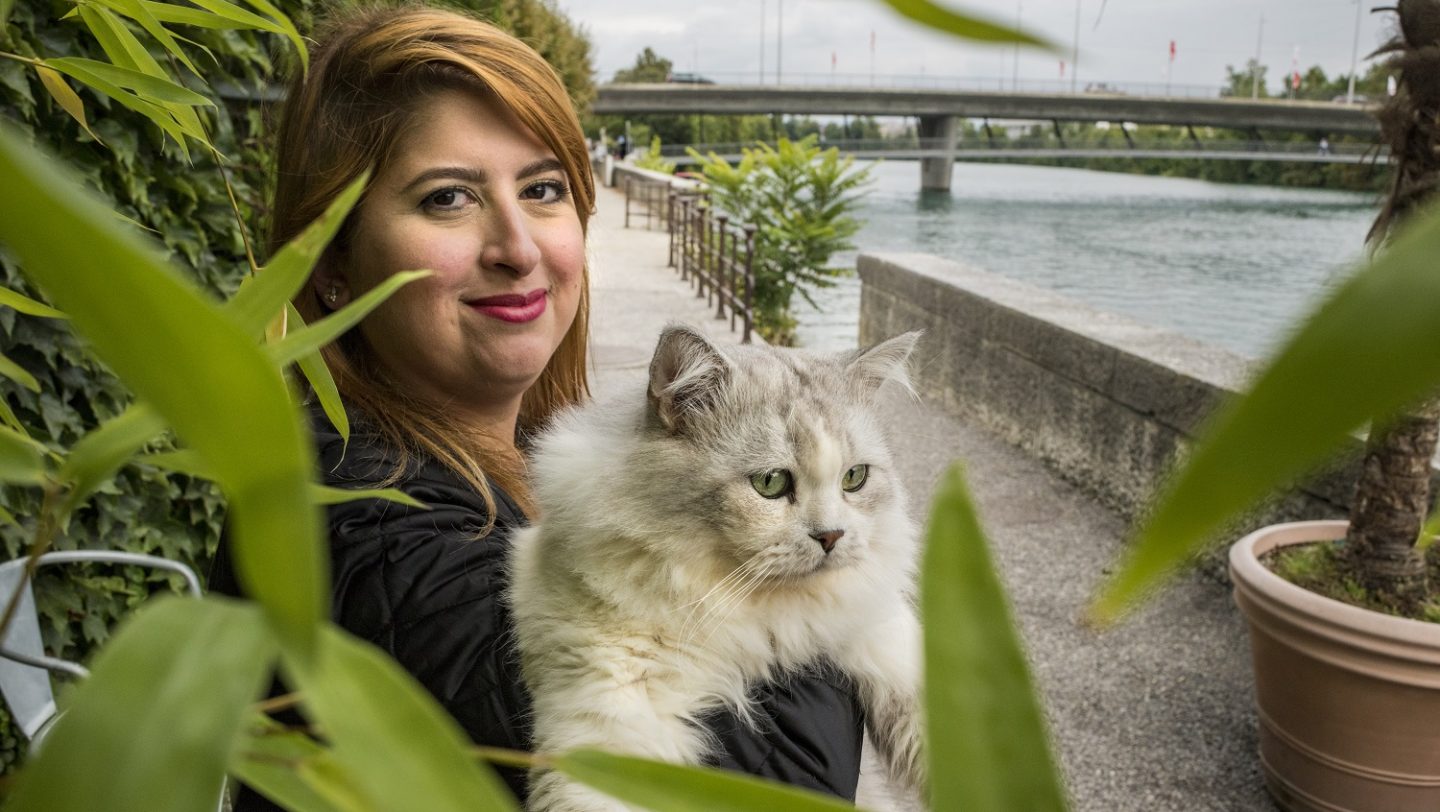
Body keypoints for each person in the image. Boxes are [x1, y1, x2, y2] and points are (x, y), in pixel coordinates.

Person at [207, 5, 865, 808]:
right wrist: (834, 592)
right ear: (331, 259)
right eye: (447, 198)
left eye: (544, 188)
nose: (517, 247)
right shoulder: (370, 529)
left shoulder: (512, 461)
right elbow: (786, 785)